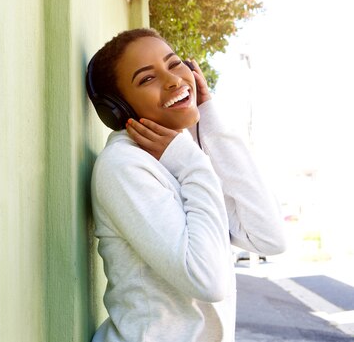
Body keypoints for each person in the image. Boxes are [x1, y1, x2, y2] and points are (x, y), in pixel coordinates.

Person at [86, 28, 286, 342]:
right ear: (119, 108)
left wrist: (210, 118)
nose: (174, 80)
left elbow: (270, 238)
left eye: (175, 63)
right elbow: (207, 281)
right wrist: (194, 165)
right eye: (147, 78)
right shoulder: (124, 165)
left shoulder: (178, 156)